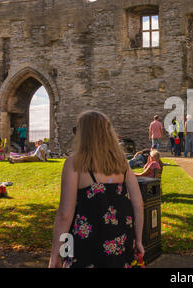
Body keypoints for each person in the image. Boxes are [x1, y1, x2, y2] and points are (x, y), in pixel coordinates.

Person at [48, 110, 144, 268]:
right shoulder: (122, 163)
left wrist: (55, 254)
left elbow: (65, 214)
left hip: (86, 242)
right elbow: (138, 205)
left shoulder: (74, 163)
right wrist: (138, 240)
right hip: (120, 238)